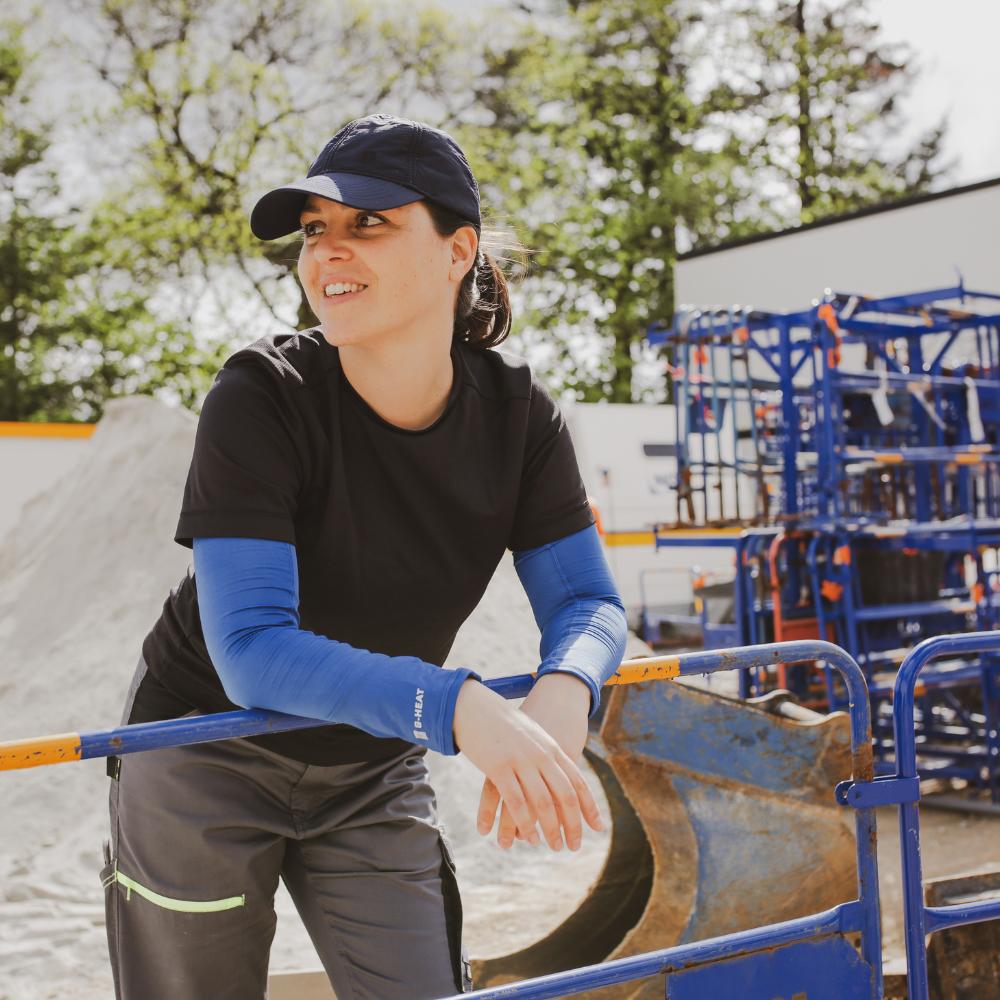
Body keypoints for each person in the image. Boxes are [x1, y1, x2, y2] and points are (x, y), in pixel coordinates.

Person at [100, 113, 628, 999]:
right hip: (203, 748)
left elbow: (589, 606)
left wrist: (564, 693)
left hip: (372, 762)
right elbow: (252, 651)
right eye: (314, 232)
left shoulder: (520, 417)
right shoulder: (261, 395)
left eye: (368, 224)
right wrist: (462, 709)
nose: (326, 254)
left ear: (459, 250)